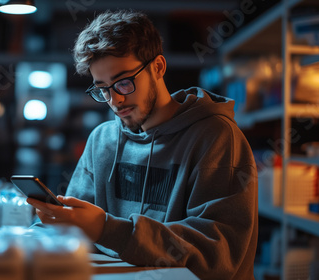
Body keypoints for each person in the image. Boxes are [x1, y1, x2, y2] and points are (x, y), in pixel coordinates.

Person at [26, 10, 258, 279]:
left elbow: (219, 253)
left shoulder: (216, 136)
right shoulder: (102, 141)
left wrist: (107, 229)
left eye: (124, 83)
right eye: (103, 88)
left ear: (158, 67)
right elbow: (76, 225)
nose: (115, 101)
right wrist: (37, 235)